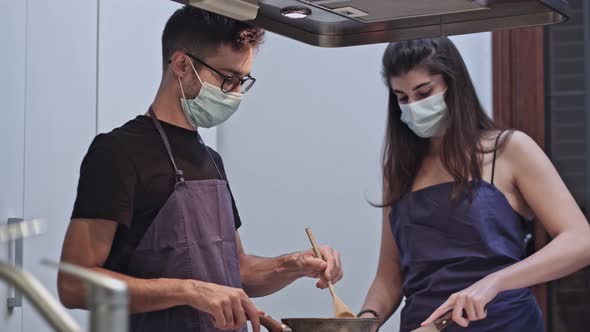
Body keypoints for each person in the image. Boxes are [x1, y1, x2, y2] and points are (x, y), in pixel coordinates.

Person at [57, 5, 343, 332]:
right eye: (227, 80)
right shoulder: (116, 153)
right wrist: (190, 290)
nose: (235, 94)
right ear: (182, 65)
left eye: (242, 81)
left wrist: (292, 265)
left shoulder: (211, 160)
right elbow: (74, 285)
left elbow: (237, 270)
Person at [358, 37, 590, 331]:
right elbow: (389, 277)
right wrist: (365, 321)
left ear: (454, 86)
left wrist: (494, 282)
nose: (414, 106)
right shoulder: (399, 169)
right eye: (402, 98)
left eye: (424, 92)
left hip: (505, 323)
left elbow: (582, 241)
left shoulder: (509, 149)